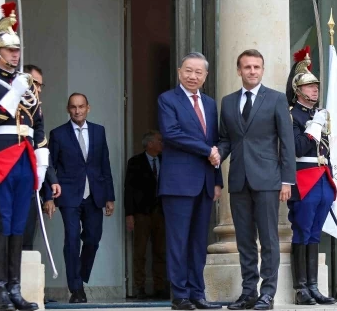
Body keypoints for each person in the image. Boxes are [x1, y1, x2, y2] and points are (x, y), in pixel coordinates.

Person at [0, 2, 46, 311]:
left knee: (19, 224)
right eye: (8, 49)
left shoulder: (27, 85)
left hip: (25, 159)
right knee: (3, 222)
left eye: (17, 50)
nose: (15, 55)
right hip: (1, 158)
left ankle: (15, 289)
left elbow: (37, 124)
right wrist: (14, 91)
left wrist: (43, 162)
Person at [217, 49, 295, 310]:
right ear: (238, 70)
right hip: (239, 179)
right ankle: (249, 292)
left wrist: (287, 181)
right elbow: (225, 138)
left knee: (269, 239)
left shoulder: (275, 99)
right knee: (244, 239)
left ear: (262, 70)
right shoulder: (227, 102)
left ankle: (267, 294)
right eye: (247, 67)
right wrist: (218, 155)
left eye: (257, 67)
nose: (252, 71)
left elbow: (286, 142)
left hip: (268, 179)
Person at [157, 52, 222, 310]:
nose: (193, 76)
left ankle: (198, 293)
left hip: (205, 183)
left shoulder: (209, 104)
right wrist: (206, 151)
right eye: (188, 70)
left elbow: (214, 142)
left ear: (205, 76)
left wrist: (217, 179)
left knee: (198, 242)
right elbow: (171, 133)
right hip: (178, 183)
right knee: (178, 242)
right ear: (179, 71)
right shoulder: (167, 100)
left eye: (198, 72)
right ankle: (180, 296)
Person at [47, 92, 116, 303]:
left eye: (81, 106)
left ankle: (80, 275)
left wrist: (109, 197)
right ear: (68, 109)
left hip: (94, 194)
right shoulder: (58, 134)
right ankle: (76, 289)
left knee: (93, 239)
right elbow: (50, 167)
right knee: (72, 239)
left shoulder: (98, 131)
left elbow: (105, 164)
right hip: (68, 196)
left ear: (88, 108)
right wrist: (49, 196)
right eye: (73, 107)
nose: (77, 110)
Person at [285, 47, 336, 305]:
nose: (314, 90)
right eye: (309, 86)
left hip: (323, 177)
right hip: (304, 178)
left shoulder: (317, 114)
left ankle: (314, 286)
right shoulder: (292, 115)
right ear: (298, 89)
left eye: (316, 86)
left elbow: (326, 150)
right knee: (302, 231)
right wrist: (313, 127)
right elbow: (297, 148)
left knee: (316, 232)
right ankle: (301, 288)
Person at [21, 64, 61, 251]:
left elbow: (42, 147)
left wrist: (51, 180)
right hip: (11, 175)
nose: (37, 89)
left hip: (31, 181)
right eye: (34, 83)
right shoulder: (12, 105)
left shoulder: (37, 111)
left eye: (40, 85)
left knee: (28, 235)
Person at [124, 130, 168, 299]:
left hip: (161, 213)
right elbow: (129, 189)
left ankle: (160, 286)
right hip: (141, 213)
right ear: (149, 144)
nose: (162, 143)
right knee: (140, 252)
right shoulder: (135, 162)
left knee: (160, 251)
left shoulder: (166, 160)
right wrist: (129, 214)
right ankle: (139, 287)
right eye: (159, 140)